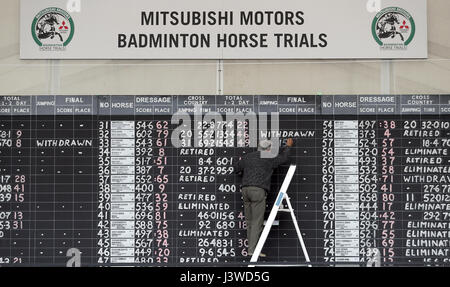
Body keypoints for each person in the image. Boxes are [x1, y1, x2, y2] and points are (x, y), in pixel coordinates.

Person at [234, 138, 294, 257]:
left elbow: (236, 168)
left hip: (245, 190)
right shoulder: (268, 157)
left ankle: (251, 248)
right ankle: (252, 250)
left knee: (250, 221)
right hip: (258, 191)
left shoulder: (248, 157)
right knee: (257, 222)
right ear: (268, 149)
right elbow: (283, 159)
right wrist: (288, 146)